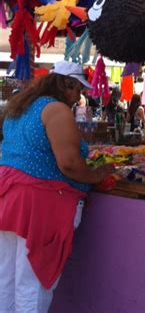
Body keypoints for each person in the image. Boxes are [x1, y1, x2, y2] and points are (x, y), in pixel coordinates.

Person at [0, 60, 114, 312]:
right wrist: (97, 175)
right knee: (33, 283)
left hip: (9, 200)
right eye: (78, 90)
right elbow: (70, 164)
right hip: (39, 204)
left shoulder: (23, 107)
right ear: (66, 84)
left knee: (6, 279)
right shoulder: (56, 110)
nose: (78, 97)